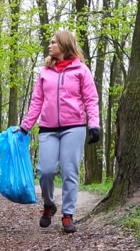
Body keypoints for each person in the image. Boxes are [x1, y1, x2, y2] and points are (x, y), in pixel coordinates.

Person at [14, 31, 99, 233]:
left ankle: (68, 215)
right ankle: (49, 204)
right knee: (45, 170)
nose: (49, 46)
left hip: (74, 126)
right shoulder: (45, 72)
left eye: (53, 42)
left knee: (70, 172)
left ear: (64, 45)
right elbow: (37, 101)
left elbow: (91, 99)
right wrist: (26, 125)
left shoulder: (81, 70)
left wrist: (94, 125)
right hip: (48, 128)